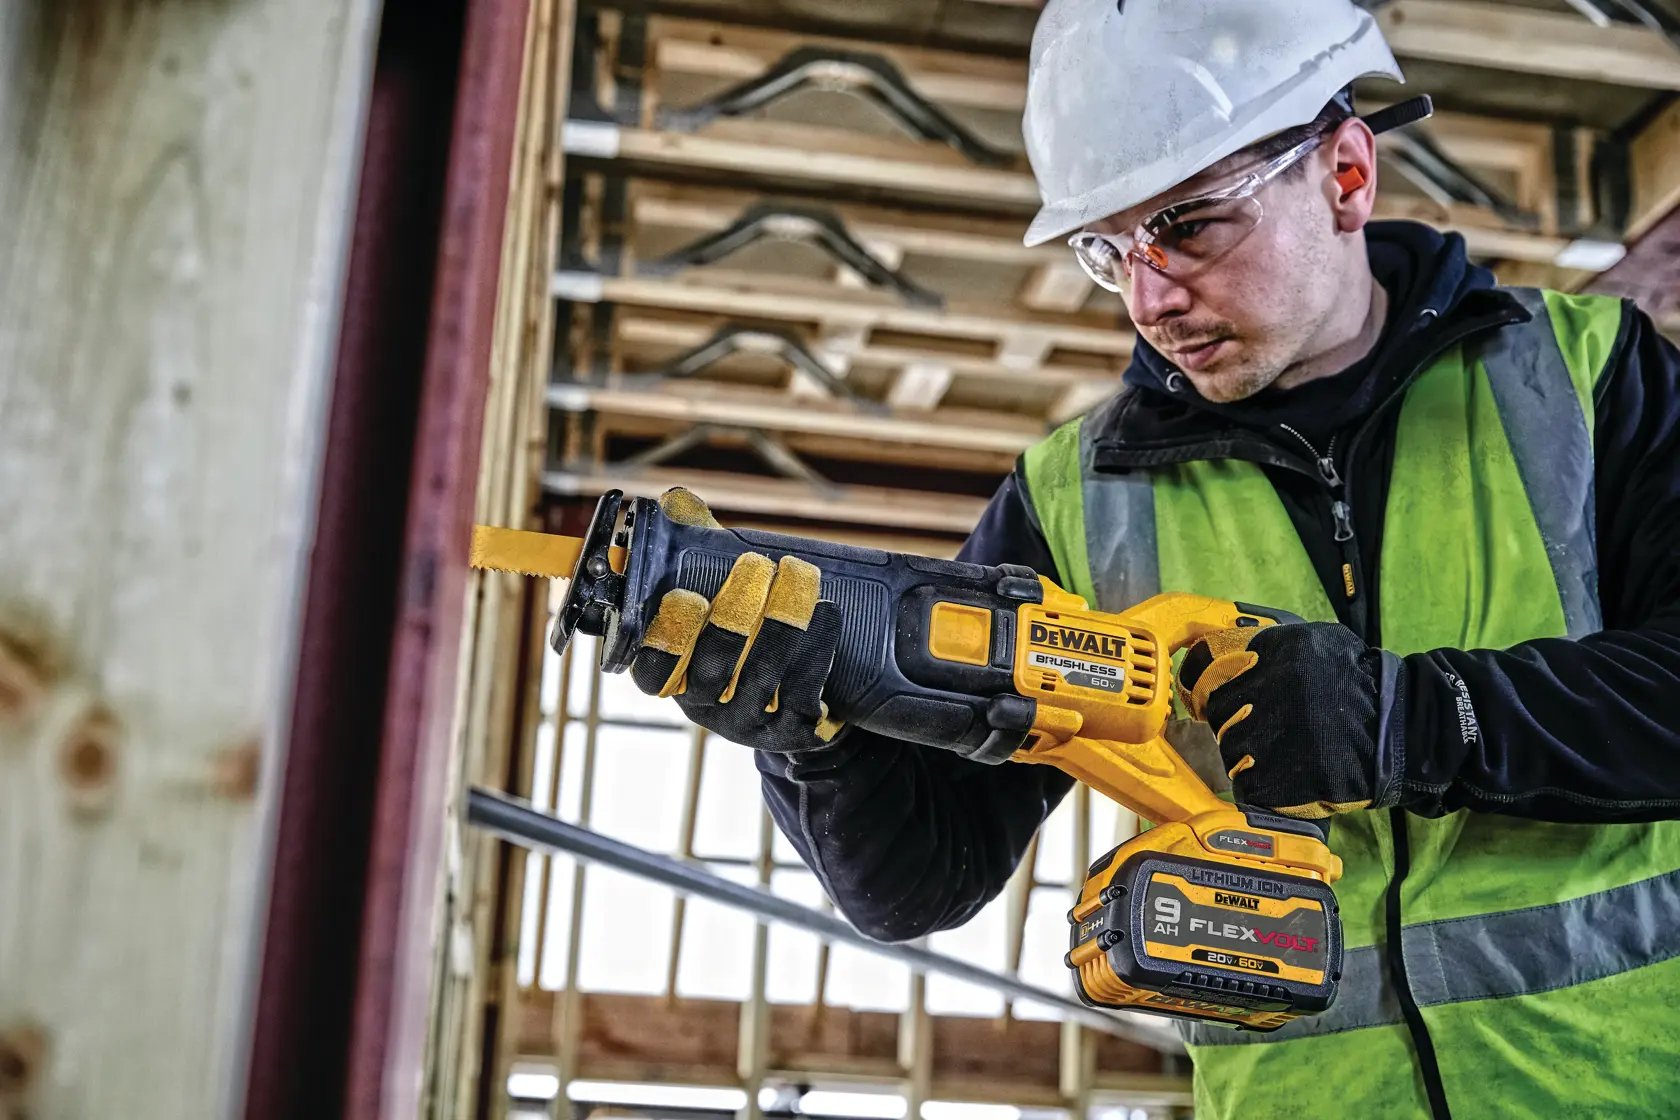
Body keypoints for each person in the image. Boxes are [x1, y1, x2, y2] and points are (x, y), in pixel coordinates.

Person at [624, 1, 1680, 1116]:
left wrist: (1412, 717)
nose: (1149, 296)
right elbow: (924, 875)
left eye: (1189, 225)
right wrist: (812, 745)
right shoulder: (1074, 501)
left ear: (1347, 175)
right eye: (1109, 248)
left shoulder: (1586, 381)